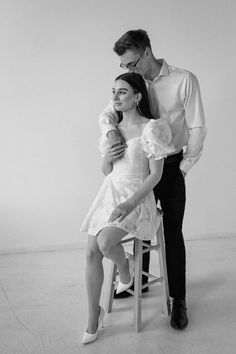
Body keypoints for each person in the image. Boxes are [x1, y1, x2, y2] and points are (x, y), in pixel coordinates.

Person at [99, 29, 207, 330]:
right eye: (124, 67)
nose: (129, 70)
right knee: (137, 226)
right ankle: (141, 284)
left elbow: (197, 128)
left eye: (132, 63)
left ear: (147, 52)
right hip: (138, 168)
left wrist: (183, 168)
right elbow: (106, 114)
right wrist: (109, 131)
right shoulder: (133, 84)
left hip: (170, 165)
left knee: (172, 232)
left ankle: (178, 300)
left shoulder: (184, 80)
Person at [80, 72, 175, 344]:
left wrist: (130, 202)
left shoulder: (152, 129)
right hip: (109, 191)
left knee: (106, 242)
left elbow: (155, 176)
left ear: (137, 96)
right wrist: (106, 159)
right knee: (90, 252)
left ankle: (125, 267)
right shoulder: (113, 130)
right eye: (113, 91)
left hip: (137, 197)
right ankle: (93, 317)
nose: (115, 97)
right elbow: (106, 171)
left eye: (122, 92)